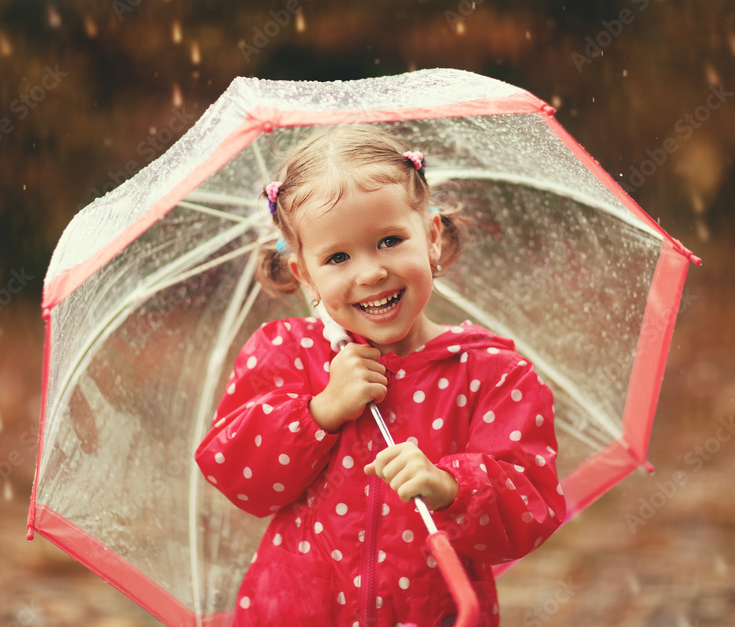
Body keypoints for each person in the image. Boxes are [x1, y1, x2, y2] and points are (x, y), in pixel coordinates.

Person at [195, 125, 565, 626]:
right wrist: (319, 411)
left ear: (431, 237)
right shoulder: (287, 355)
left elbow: (530, 509)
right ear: (304, 272)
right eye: (338, 257)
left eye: (389, 241)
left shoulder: (491, 373)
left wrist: (449, 485)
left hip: (431, 612)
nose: (369, 273)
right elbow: (238, 473)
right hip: (298, 611)